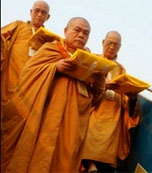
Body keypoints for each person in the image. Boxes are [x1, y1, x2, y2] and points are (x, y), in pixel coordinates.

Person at [1, 17, 105, 172]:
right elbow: (28, 73)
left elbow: (95, 100)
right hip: (44, 119)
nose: (81, 35)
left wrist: (99, 81)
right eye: (77, 30)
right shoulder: (50, 49)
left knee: (64, 160)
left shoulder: (91, 63)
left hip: (72, 126)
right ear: (65, 31)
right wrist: (54, 67)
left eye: (86, 33)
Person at [80, 31, 140, 172]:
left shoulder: (121, 69)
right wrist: (103, 86)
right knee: (89, 134)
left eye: (116, 44)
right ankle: (89, 164)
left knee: (108, 147)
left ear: (120, 47)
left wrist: (132, 97)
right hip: (93, 108)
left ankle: (97, 166)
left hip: (113, 113)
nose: (112, 47)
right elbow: (81, 81)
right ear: (102, 42)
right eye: (109, 43)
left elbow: (124, 96)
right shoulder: (93, 59)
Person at [1, 0, 50, 112]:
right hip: (11, 76)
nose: (39, 14)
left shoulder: (48, 38)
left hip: (32, 83)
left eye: (43, 12)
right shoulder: (18, 26)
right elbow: (2, 38)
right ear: (31, 12)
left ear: (48, 17)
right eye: (37, 11)